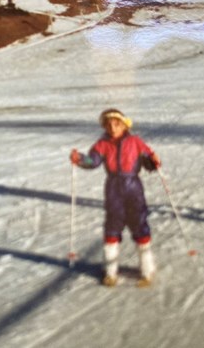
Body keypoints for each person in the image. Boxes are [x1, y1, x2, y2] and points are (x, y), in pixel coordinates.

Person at [69, 108, 161, 287]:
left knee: (139, 224)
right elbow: (92, 161)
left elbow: (148, 161)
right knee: (112, 226)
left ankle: (147, 269)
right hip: (113, 189)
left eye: (116, 123)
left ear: (124, 124)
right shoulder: (102, 144)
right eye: (108, 124)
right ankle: (110, 272)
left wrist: (154, 162)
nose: (112, 127)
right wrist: (79, 158)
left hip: (133, 187)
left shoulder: (135, 142)